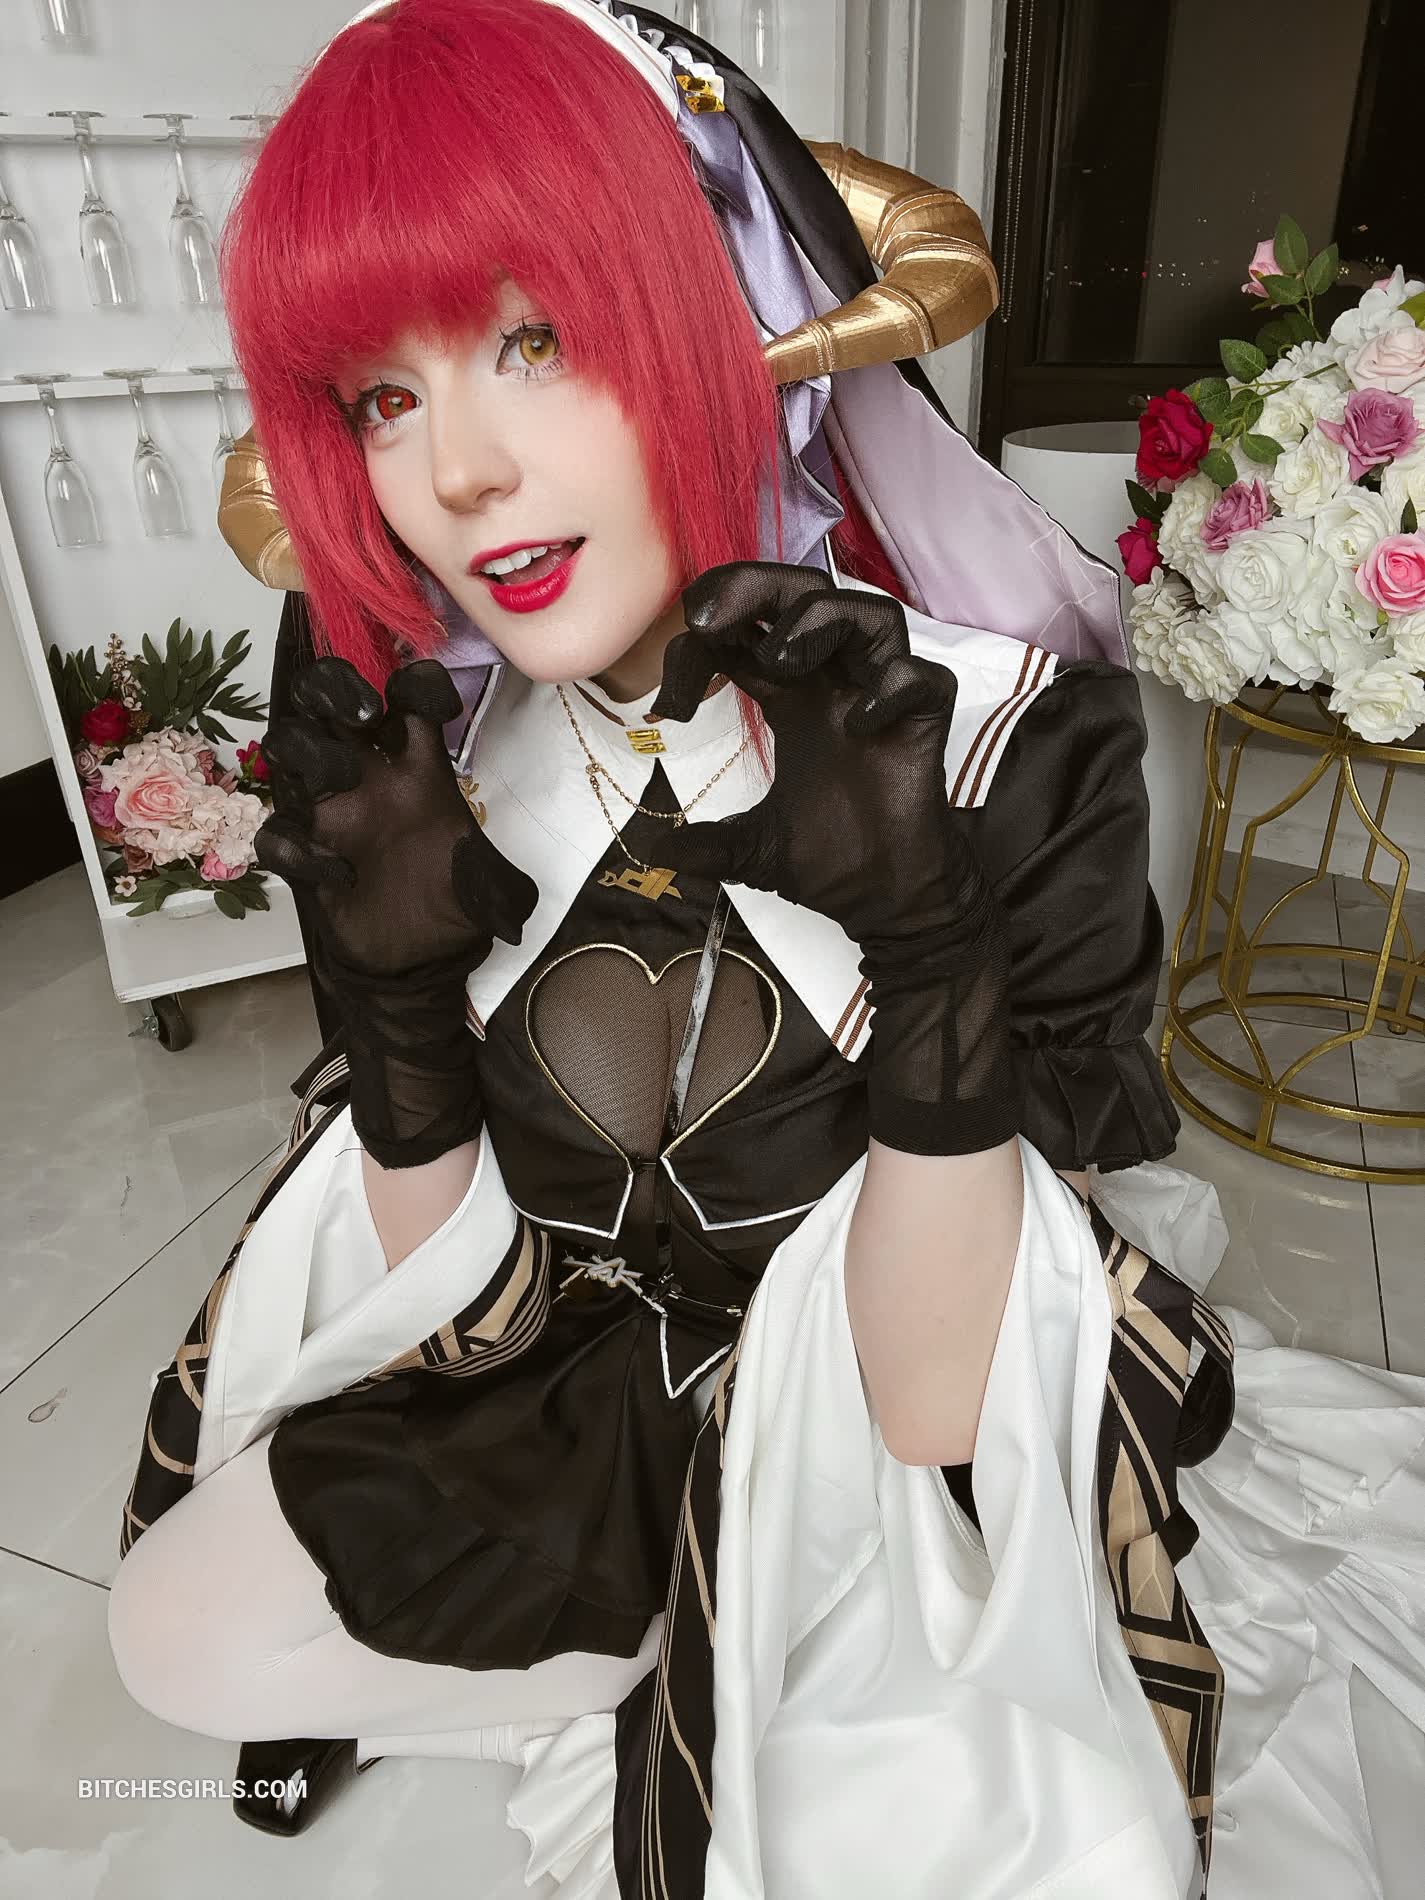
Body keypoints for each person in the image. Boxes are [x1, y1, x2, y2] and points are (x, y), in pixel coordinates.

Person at [105, 4, 1425, 1896]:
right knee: (174, 1636)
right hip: (575, 1352)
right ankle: (667, 1630)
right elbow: (449, 1309)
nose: (457, 471)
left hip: (890, 1388)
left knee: (953, 1809)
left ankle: (698, 1641)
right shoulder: (417, 750)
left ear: (731, 310)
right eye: (384, 398)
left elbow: (934, 1405)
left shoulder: (993, 729)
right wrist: (393, 1003)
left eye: (534, 341)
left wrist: (931, 949)